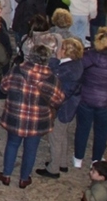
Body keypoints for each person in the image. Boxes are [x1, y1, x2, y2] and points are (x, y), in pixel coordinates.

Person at [0, 44, 64, 189]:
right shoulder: (51, 78)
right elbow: (58, 100)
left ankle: (7, 175)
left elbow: (3, 87)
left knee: (12, 144)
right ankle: (24, 178)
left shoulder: (16, 71)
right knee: (31, 149)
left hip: (15, 116)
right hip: (37, 121)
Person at [73, 28, 107, 169]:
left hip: (86, 98)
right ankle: (96, 160)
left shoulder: (87, 56)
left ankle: (78, 158)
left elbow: (77, 75)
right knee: (101, 132)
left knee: (82, 129)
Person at [36, 37, 84, 179]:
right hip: (70, 108)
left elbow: (52, 73)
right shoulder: (76, 65)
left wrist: (53, 59)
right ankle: (62, 162)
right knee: (63, 136)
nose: (58, 50)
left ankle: (53, 168)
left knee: (55, 137)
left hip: (63, 109)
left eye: (61, 48)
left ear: (66, 52)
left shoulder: (66, 70)